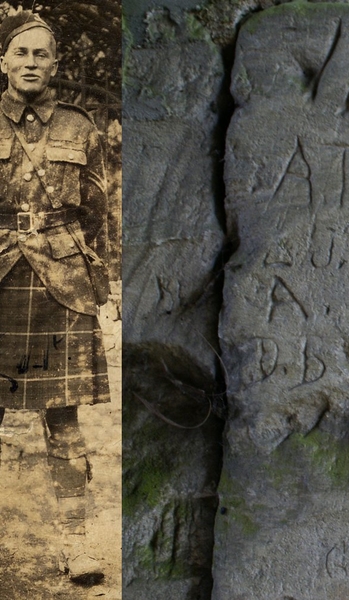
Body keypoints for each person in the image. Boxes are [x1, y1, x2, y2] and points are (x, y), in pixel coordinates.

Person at [0, 10, 109, 583]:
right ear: (3, 62)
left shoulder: (79, 125)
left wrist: (98, 281)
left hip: (61, 286)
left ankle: (78, 543)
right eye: (21, 53)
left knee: (63, 421)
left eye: (42, 55)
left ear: (56, 65)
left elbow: (98, 212)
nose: (31, 64)